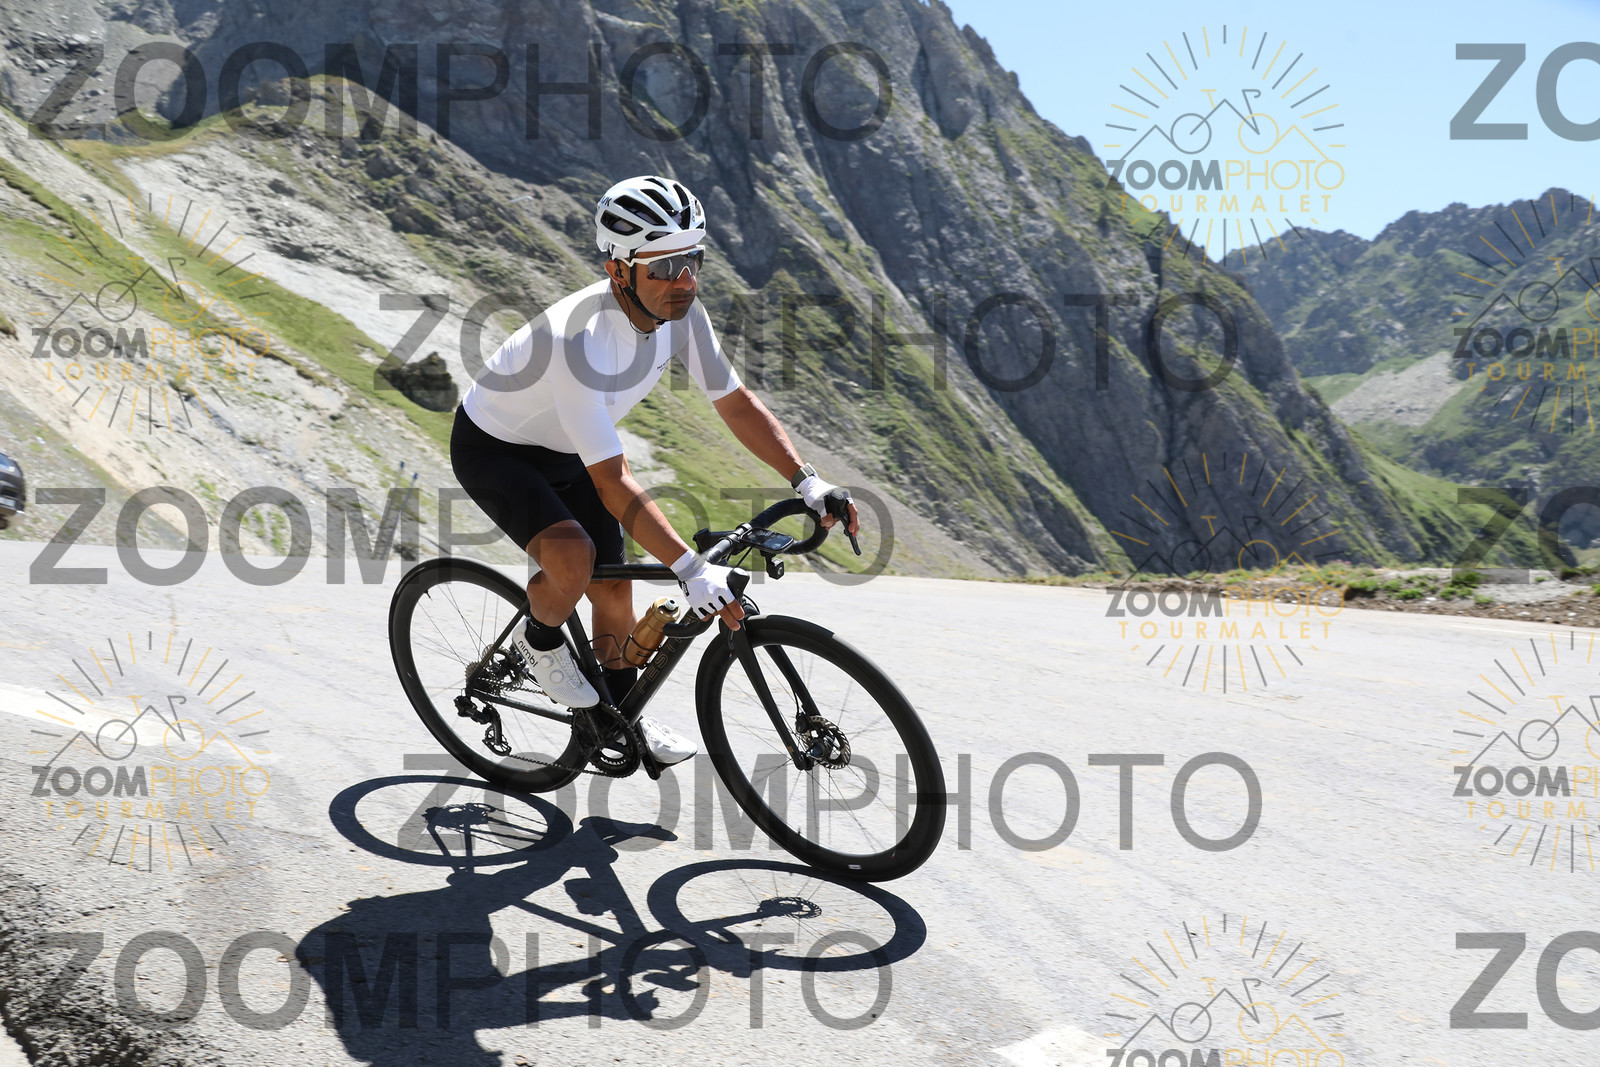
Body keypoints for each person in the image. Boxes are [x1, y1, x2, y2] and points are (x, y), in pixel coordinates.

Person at [451, 175, 859, 766]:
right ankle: (537, 640)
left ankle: (618, 722)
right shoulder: (577, 341)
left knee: (614, 586)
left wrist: (807, 480)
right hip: (498, 448)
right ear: (619, 271)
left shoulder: (682, 314)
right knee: (574, 559)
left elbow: (735, 404)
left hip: (567, 449)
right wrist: (691, 569)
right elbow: (612, 480)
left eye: (693, 261)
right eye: (665, 267)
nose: (685, 281)